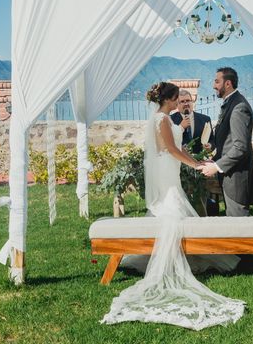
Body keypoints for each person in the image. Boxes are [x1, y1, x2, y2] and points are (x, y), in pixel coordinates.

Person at [101, 81, 244, 330]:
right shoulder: (163, 120)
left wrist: (192, 158)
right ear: (169, 99)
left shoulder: (162, 118)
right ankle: (172, 261)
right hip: (168, 171)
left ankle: (178, 253)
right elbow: (169, 149)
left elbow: (170, 147)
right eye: (178, 98)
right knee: (173, 213)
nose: (181, 102)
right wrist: (195, 165)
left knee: (175, 212)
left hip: (169, 170)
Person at [201, 68, 253, 217]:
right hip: (230, 175)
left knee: (239, 225)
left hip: (237, 178)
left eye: (217, 81)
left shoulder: (238, 107)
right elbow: (228, 138)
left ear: (227, 83)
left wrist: (216, 166)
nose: (214, 86)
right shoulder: (231, 102)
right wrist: (214, 150)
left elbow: (240, 147)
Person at [171, 89, 215, 155]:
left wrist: (210, 145)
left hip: (199, 161)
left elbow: (212, 140)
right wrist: (181, 127)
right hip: (179, 161)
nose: (186, 104)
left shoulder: (205, 119)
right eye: (182, 101)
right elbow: (168, 141)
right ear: (177, 105)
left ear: (192, 102)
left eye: (188, 100)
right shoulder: (170, 119)